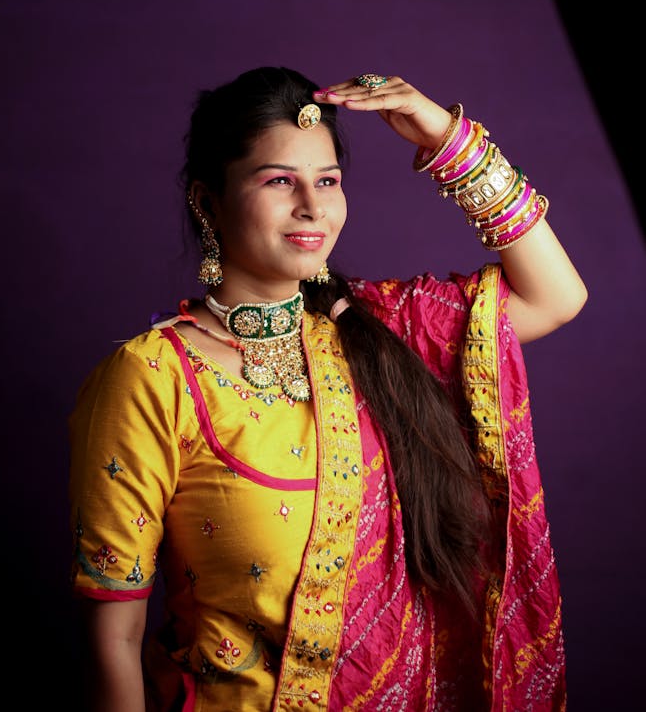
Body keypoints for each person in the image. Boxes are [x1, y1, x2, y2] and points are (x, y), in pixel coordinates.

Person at [68, 67, 587, 712]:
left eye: (329, 181)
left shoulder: (376, 330)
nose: (312, 206)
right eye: (280, 180)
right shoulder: (153, 376)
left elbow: (556, 297)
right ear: (209, 201)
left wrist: (448, 140)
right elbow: (113, 641)